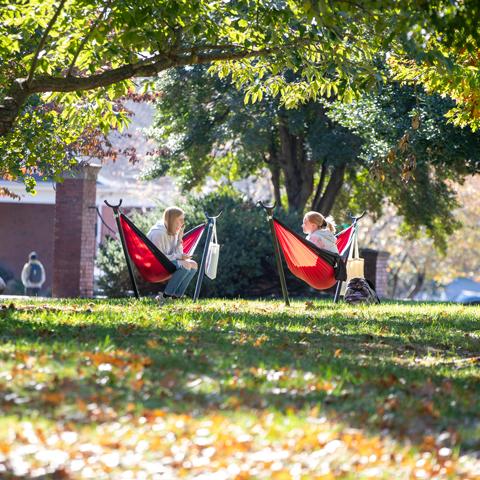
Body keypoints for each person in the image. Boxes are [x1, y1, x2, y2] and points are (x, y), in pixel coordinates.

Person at [147, 206, 198, 302]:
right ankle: (165, 296)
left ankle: (176, 297)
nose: (183, 223)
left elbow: (178, 253)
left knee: (194, 265)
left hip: (168, 262)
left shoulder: (174, 230)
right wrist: (180, 257)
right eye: (181, 219)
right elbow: (158, 258)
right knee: (186, 265)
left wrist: (179, 239)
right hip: (156, 266)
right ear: (173, 219)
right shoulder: (158, 233)